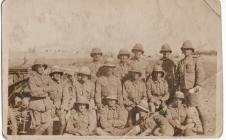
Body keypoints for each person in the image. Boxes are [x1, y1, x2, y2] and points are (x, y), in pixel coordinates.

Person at [175, 40, 206, 134]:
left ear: (191, 50)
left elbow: (200, 74)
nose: (186, 51)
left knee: (198, 108)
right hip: (184, 90)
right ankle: (189, 128)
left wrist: (197, 86)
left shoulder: (196, 60)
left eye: (188, 49)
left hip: (193, 89)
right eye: (184, 49)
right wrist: (178, 87)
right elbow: (178, 76)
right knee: (187, 109)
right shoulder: (180, 62)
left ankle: (205, 129)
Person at [28, 59, 55, 135]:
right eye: (39, 66)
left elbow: (53, 88)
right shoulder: (32, 78)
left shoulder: (47, 78)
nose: (41, 68)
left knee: (49, 125)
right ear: (35, 68)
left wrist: (41, 90)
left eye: (43, 66)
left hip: (47, 105)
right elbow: (33, 92)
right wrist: (45, 90)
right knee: (38, 126)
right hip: (36, 105)